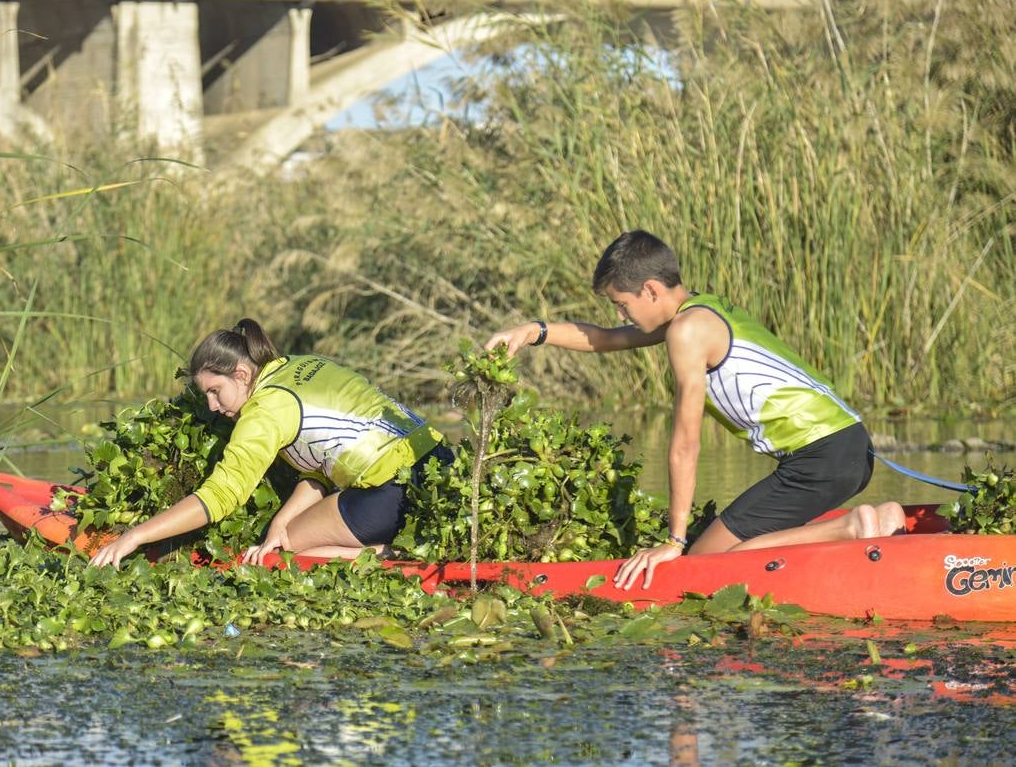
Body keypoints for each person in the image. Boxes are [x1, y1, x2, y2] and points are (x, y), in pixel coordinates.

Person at [483, 230, 904, 591]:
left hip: (821, 459)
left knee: (706, 562)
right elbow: (607, 339)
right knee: (726, 545)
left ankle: (851, 528)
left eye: (622, 304)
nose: (621, 314)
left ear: (651, 290)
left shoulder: (687, 332)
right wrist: (533, 331)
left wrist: (674, 541)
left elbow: (686, 444)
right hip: (848, 446)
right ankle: (873, 521)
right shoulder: (700, 309)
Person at [90, 318, 449, 569]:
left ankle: (391, 555)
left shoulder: (263, 412)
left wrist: (135, 536)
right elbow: (321, 463)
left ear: (241, 374)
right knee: (283, 533)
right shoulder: (300, 365)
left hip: (389, 491)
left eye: (215, 391)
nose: (212, 406)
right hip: (440, 466)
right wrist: (281, 519)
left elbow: (221, 496)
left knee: (284, 553)